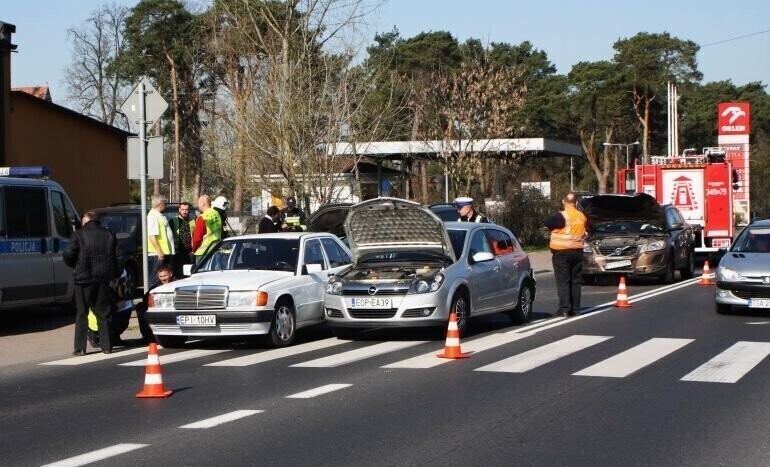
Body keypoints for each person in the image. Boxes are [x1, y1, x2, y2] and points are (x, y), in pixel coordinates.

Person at [63, 211, 122, 355]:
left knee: (82, 313)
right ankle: (107, 346)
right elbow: (119, 256)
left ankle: (80, 348)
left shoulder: (78, 234)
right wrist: (115, 274)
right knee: (104, 313)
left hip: (83, 280)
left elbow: (68, 254)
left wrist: (76, 267)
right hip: (103, 279)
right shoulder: (109, 234)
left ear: (86, 221)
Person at [543, 192, 588, 317]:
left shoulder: (561, 216)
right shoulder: (582, 216)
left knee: (563, 281)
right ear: (577, 203)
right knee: (575, 281)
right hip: (578, 252)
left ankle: (564, 309)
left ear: (563, 202)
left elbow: (546, 224)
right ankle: (576, 309)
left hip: (562, 253)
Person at [135, 264, 176, 344]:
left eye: (165, 276)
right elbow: (145, 297)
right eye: (161, 276)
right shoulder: (156, 286)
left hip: (172, 308)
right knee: (140, 307)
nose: (163, 278)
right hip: (159, 308)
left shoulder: (177, 283)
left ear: (170, 274)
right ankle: (148, 336)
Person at [147, 195, 175, 280]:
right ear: (160, 204)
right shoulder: (153, 216)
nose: (166, 205)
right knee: (156, 278)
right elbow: (152, 235)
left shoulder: (159, 215)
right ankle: (153, 293)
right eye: (165, 203)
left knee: (166, 278)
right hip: (157, 254)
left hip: (163, 253)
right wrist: (159, 251)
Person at [193, 195, 223, 264]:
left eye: (198, 203)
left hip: (203, 253)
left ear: (203, 203)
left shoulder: (203, 217)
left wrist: (194, 250)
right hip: (216, 250)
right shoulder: (216, 214)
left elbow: (197, 239)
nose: (198, 205)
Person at [170, 201, 195, 278]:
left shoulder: (193, 221)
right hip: (178, 253)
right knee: (179, 275)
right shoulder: (173, 221)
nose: (185, 212)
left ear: (189, 210)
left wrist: (193, 250)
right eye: (183, 209)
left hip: (190, 253)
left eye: (186, 209)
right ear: (179, 210)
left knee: (189, 274)